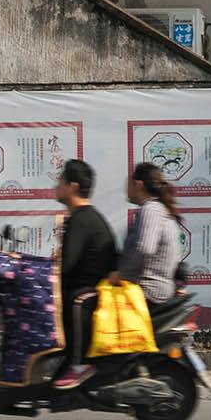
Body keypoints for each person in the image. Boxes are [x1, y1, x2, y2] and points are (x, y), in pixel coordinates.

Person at [49, 159, 121, 383]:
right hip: (86, 283)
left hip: (89, 289)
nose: (56, 186)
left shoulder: (82, 219)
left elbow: (67, 265)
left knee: (74, 301)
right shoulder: (82, 217)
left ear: (73, 186)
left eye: (60, 181)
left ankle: (78, 363)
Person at [120, 163, 186, 307]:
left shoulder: (150, 210)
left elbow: (145, 249)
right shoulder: (160, 209)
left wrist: (120, 275)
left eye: (128, 183)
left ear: (138, 185)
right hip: (156, 290)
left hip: (149, 292)